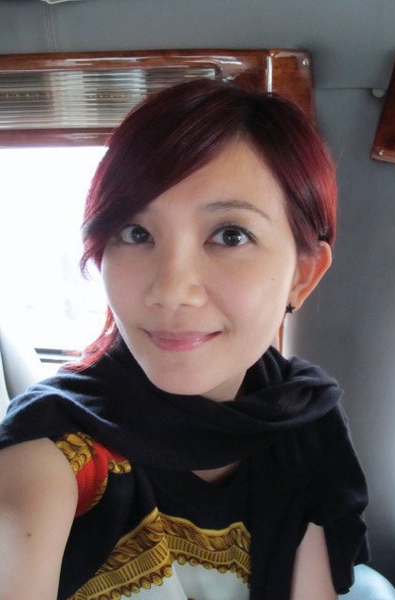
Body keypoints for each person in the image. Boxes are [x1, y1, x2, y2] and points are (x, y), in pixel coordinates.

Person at [0, 79, 368, 600]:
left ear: (302, 276)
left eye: (230, 235)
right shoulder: (52, 453)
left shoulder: (304, 423)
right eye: (136, 233)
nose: (170, 291)